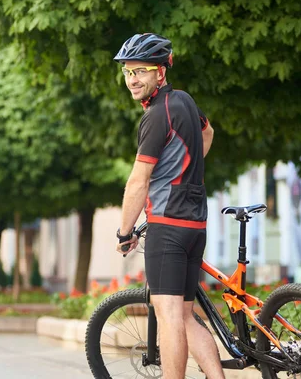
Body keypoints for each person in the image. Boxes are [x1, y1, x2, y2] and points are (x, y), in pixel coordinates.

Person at [113, 33, 223, 379]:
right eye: (128, 72)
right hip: (195, 224)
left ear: (161, 72)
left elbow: (137, 182)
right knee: (186, 315)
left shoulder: (157, 115)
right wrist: (186, 170)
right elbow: (208, 134)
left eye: (141, 71)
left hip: (167, 225)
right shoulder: (184, 101)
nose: (133, 79)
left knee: (169, 315)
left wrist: (124, 231)